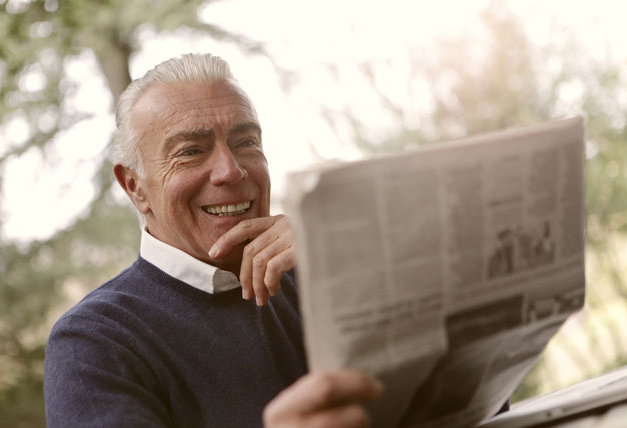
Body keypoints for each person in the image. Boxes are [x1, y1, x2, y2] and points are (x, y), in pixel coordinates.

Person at [43, 53, 382, 428]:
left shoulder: (320, 272)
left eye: (246, 142)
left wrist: (342, 253)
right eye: (191, 151)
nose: (231, 171)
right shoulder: (93, 341)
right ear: (135, 187)